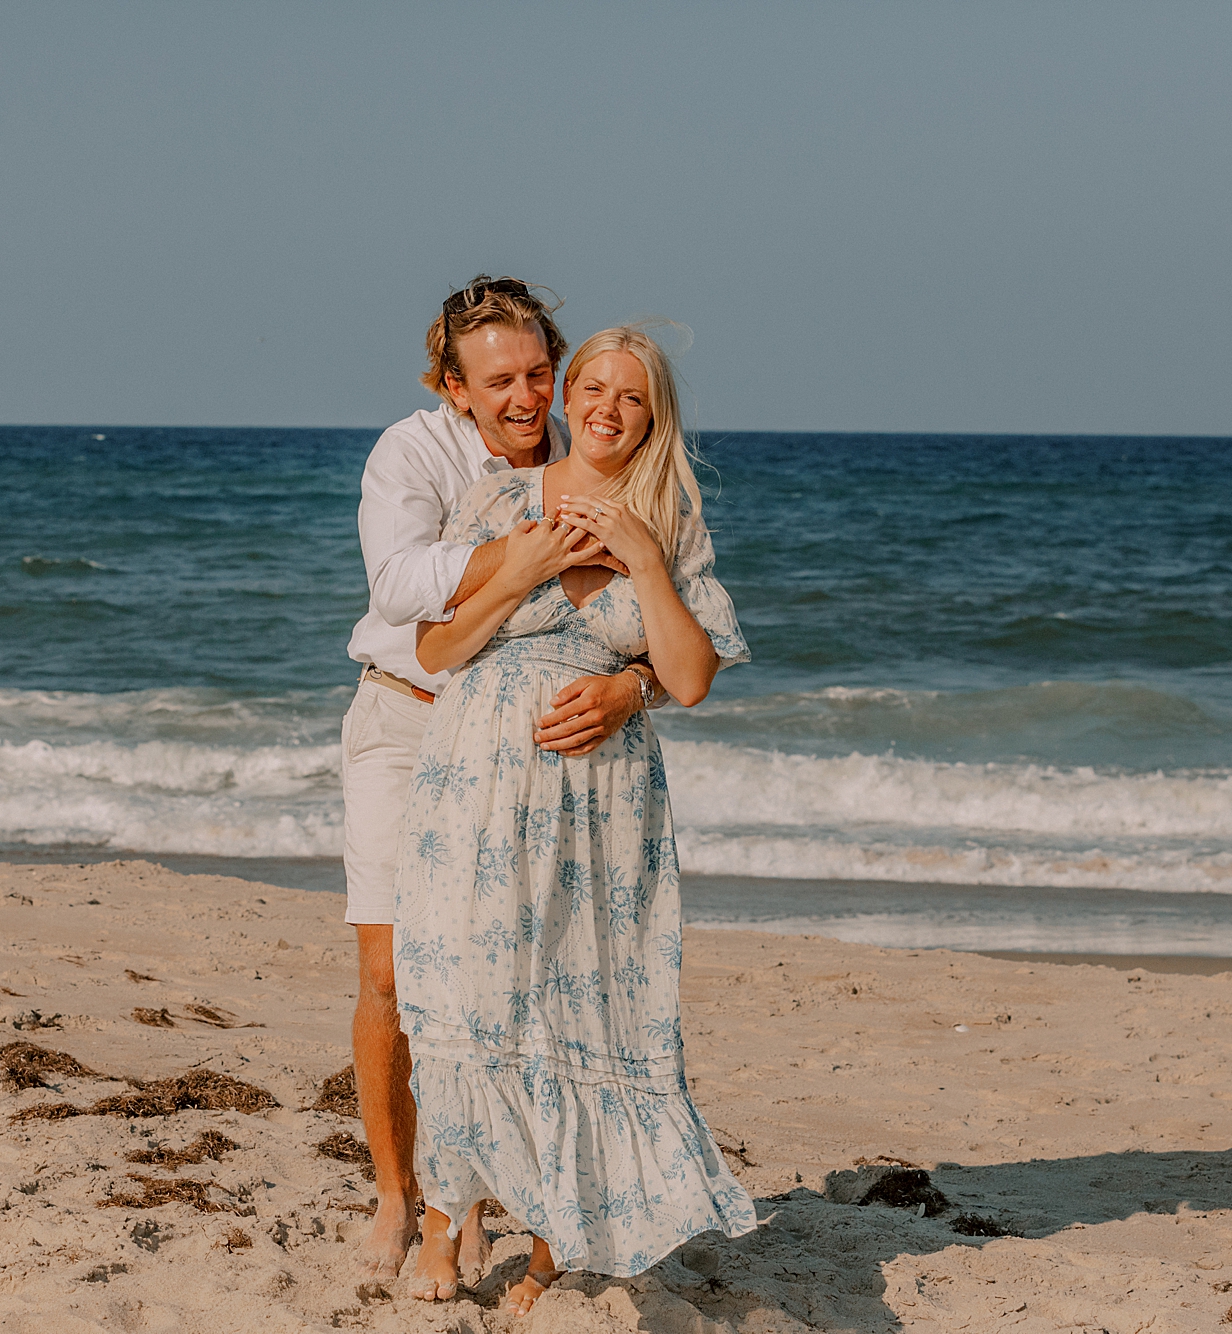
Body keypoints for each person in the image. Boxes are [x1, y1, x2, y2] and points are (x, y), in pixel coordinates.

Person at [395, 326, 757, 1313]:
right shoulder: (504, 496)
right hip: (474, 787)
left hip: (601, 806)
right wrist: (520, 568)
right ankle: (442, 1217)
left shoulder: (671, 520)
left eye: (629, 396)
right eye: (590, 386)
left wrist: (637, 580)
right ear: (569, 397)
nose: (604, 406)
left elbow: (688, 678)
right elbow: (437, 648)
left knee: (577, 1001)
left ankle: (557, 1233)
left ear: (652, 416)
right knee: (467, 994)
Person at [344, 277, 663, 1282]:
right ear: (452, 387)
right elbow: (396, 587)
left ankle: (479, 1194)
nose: (524, 397)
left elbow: (668, 622)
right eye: (499, 381)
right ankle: (402, 1190)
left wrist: (634, 687)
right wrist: (514, 553)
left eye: (538, 373)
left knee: (515, 986)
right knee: (397, 975)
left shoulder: (602, 465)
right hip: (407, 720)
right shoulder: (418, 453)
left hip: (530, 752)